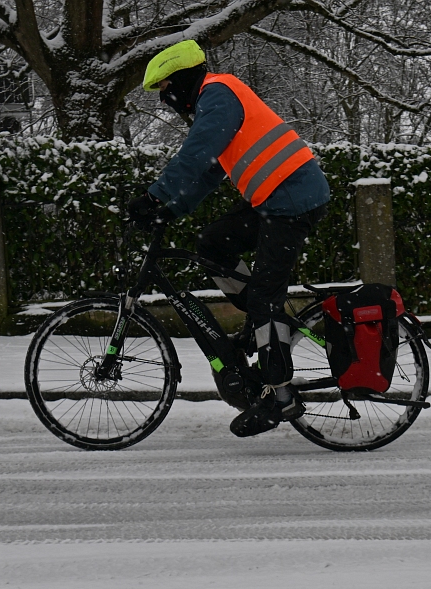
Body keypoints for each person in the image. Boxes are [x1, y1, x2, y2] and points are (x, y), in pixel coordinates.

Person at [126, 40, 330, 438]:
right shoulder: (213, 100)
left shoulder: (218, 92)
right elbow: (209, 171)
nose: (166, 99)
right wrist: (171, 209)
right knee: (212, 245)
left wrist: (154, 195)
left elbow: (198, 152)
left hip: (291, 199)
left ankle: (279, 398)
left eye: (166, 89)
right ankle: (262, 323)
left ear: (184, 79)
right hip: (276, 197)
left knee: (264, 299)